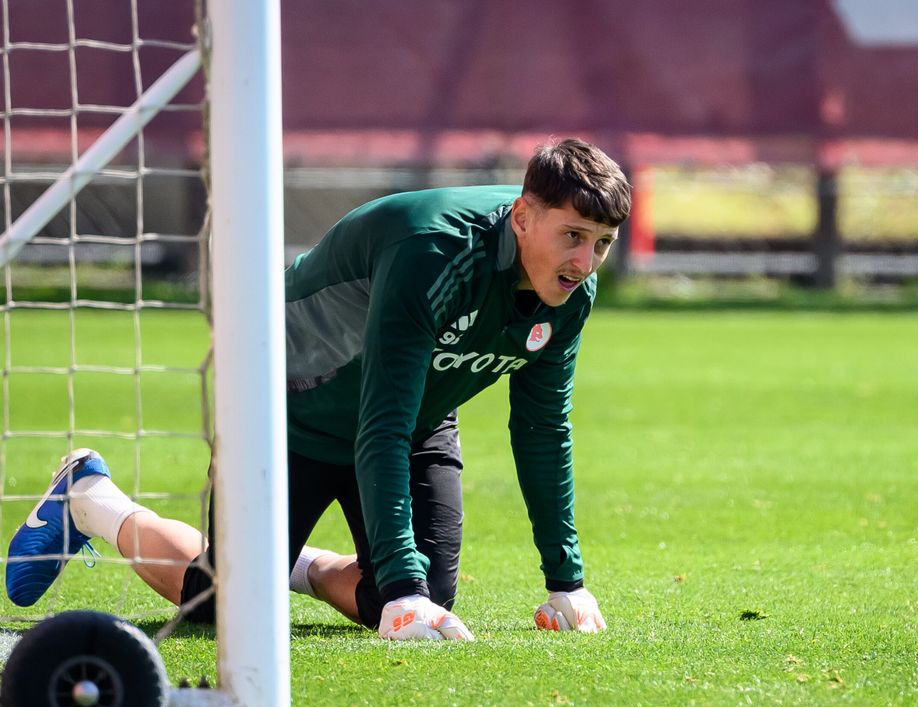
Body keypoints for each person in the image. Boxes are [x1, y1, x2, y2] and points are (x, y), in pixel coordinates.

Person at [6, 138, 629, 640]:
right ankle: (90, 497)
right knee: (222, 607)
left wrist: (566, 583)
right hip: (288, 408)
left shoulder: (572, 289)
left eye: (602, 243)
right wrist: (403, 590)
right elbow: (381, 423)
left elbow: (543, 427)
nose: (586, 261)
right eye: (572, 236)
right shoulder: (434, 253)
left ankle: (286, 559)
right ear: (521, 217)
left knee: (428, 599)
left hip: (410, 413)